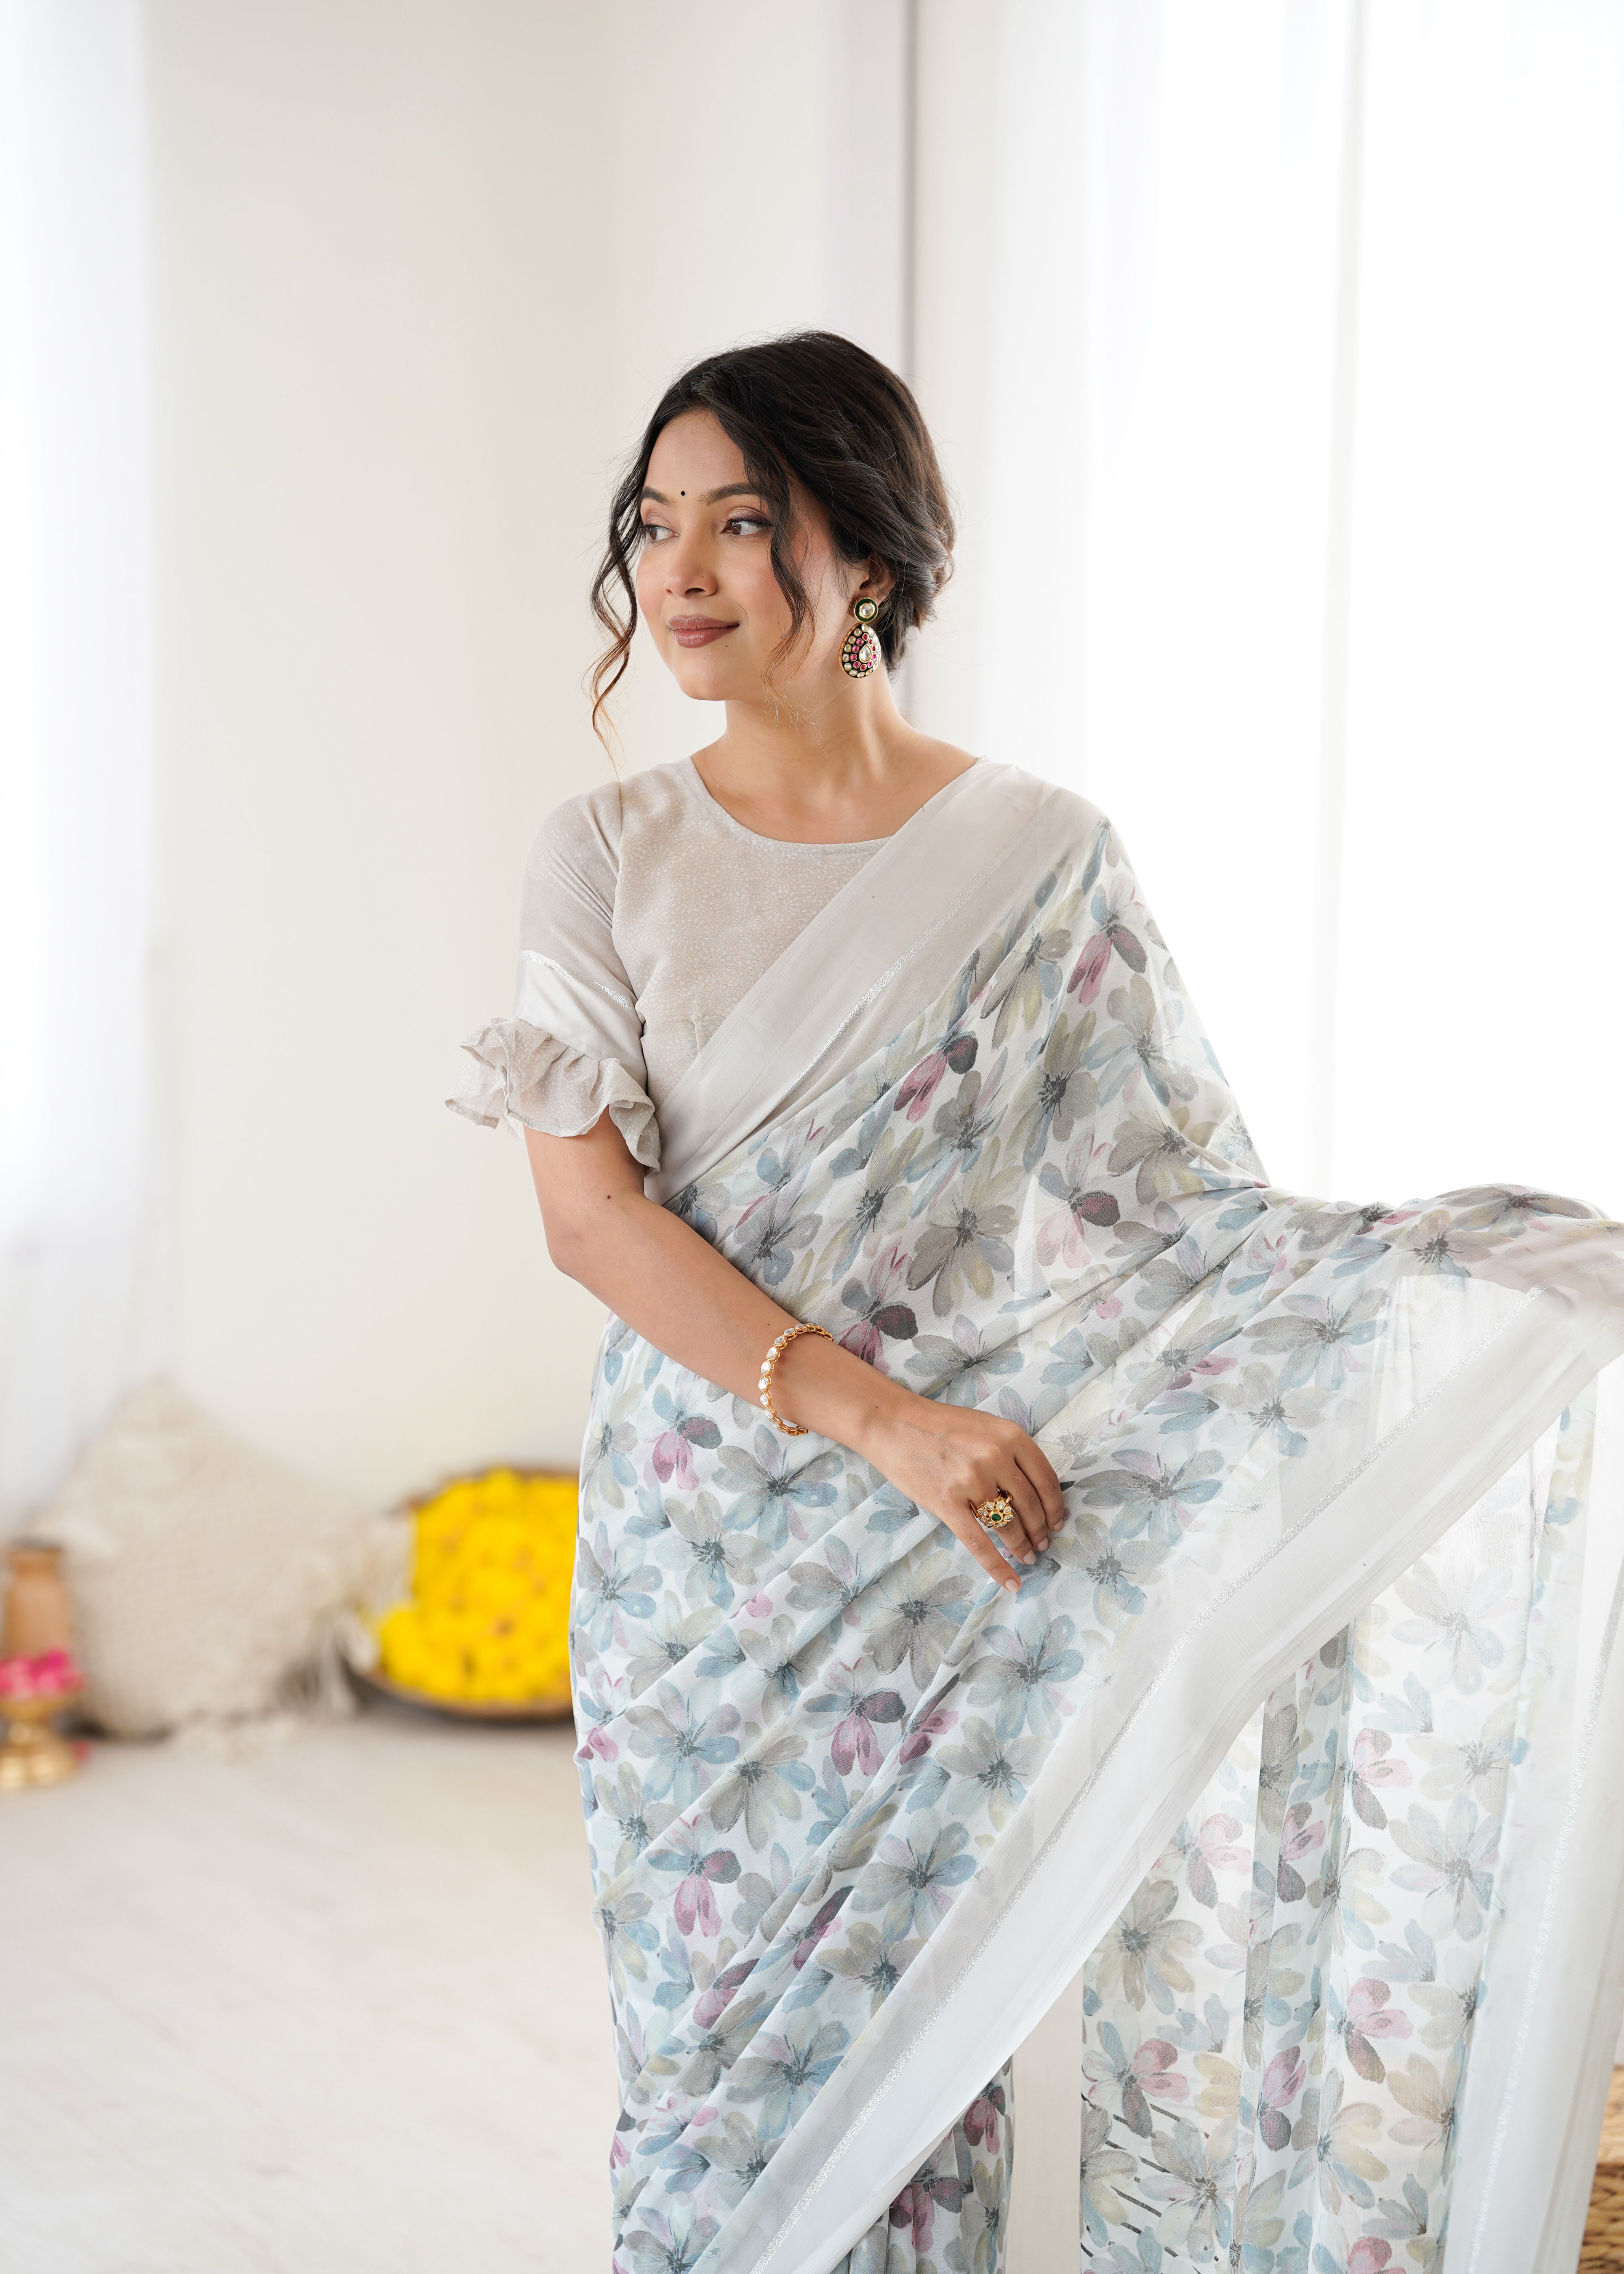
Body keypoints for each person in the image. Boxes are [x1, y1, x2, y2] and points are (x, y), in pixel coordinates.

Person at [452, 331, 1624, 2274]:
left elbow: (1174, 1219)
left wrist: (1482, 1272)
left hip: (947, 1570)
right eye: (653, 525)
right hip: (706, 1565)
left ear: (869, 557)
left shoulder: (1038, 856)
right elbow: (591, 1219)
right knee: (712, 2086)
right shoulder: (606, 852)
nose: (681, 570)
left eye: (741, 521)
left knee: (922, 2076)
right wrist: (884, 1419)